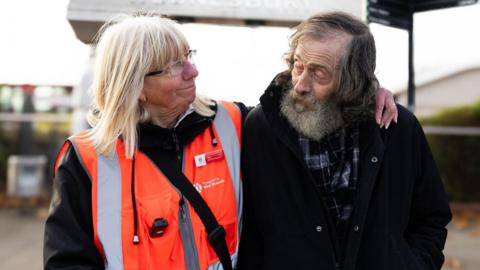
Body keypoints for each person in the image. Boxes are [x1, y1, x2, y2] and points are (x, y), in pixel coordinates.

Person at [43, 12, 397, 269]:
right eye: (172, 66)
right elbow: (67, 262)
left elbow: (309, 100)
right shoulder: (85, 159)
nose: (193, 71)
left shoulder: (232, 123)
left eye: (189, 57)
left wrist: (366, 91)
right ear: (133, 85)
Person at [237, 11, 452, 270]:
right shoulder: (261, 127)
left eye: (319, 74)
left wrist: (413, 264)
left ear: (353, 81)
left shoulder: (397, 127)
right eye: (298, 65)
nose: (300, 85)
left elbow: (431, 218)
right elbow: (247, 229)